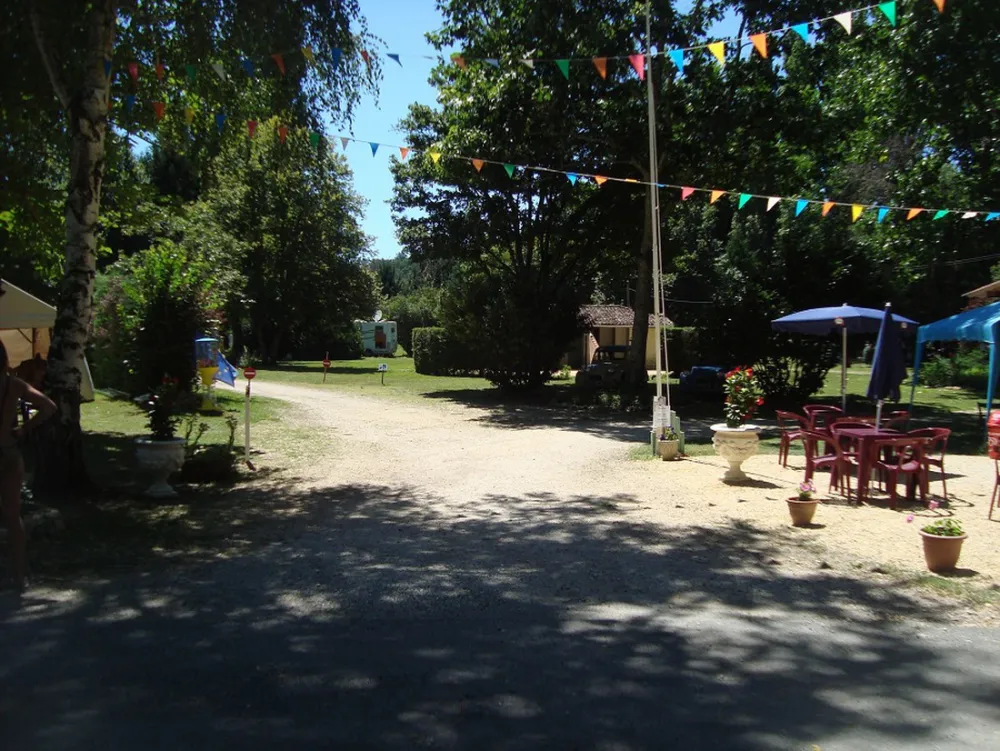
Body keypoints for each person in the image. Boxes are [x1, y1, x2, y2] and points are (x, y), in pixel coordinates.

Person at [0, 340, 56, 594]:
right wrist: (23, 429)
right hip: (8, 452)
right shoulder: (14, 385)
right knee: (13, 517)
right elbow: (49, 407)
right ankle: (19, 577)